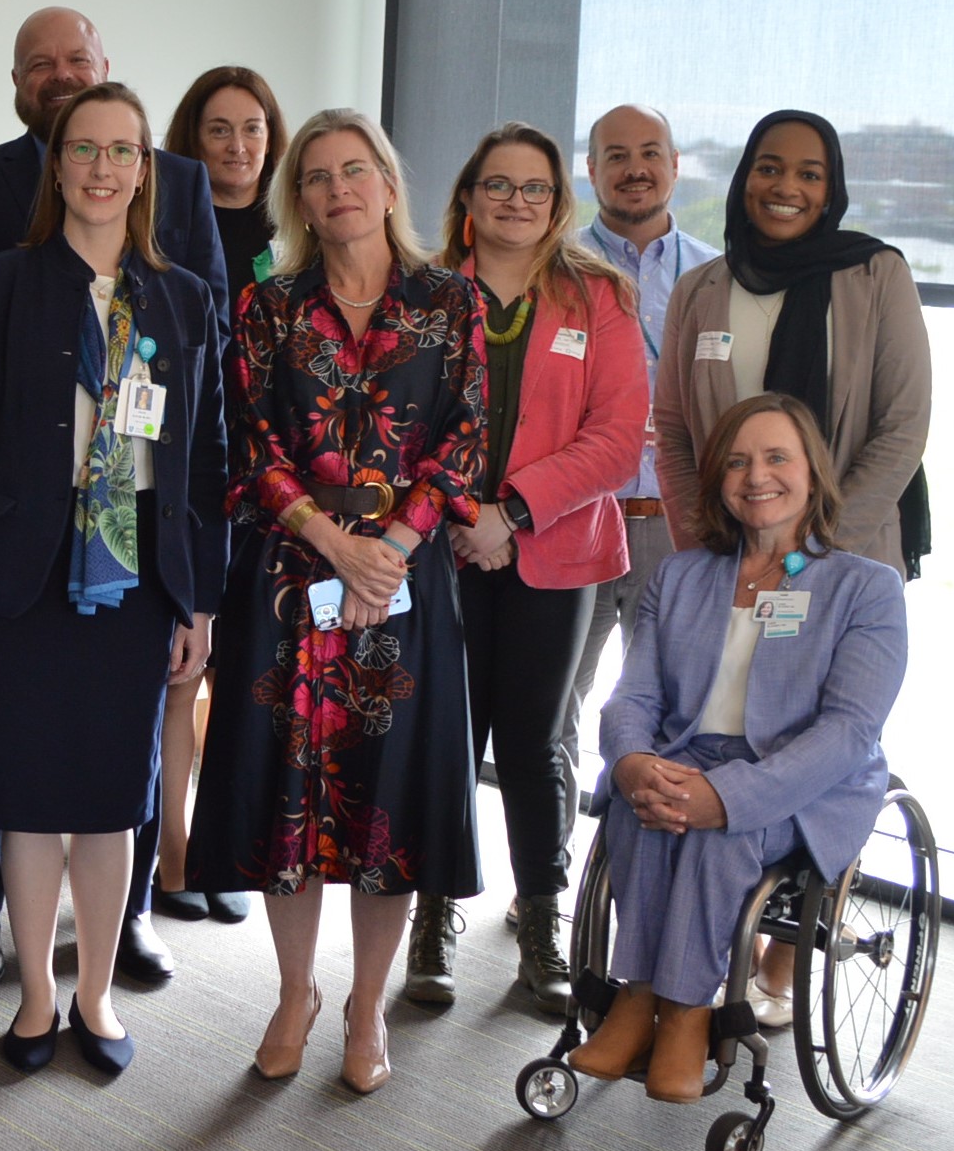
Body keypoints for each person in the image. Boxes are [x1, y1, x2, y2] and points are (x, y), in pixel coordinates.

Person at [184, 109, 485, 1096]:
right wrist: (329, 542)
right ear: (298, 202)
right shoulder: (266, 307)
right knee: (289, 801)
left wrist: (388, 551)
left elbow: (463, 438)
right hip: (289, 579)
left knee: (383, 805)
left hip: (405, 576)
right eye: (314, 177)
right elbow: (250, 448)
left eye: (354, 170)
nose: (336, 188)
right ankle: (291, 992)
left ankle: (364, 1004)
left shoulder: (450, 303)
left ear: (390, 186)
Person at [0, 11, 231, 989]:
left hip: (138, 578)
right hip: (21, 577)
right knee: (19, 794)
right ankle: (28, 999)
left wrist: (201, 598)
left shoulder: (180, 297)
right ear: (53, 165)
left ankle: (94, 998)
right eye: (82, 150)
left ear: (145, 168)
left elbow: (207, 456)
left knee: (113, 792)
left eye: (122, 151)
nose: (101, 168)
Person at [569, 393, 904, 1099]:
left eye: (776, 457)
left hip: (801, 786)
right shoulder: (683, 576)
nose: (757, 476)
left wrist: (726, 795)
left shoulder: (865, 589)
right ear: (718, 478)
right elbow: (631, 697)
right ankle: (635, 999)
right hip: (686, 757)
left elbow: (846, 733)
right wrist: (631, 764)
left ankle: (686, 1013)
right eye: (738, 461)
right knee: (638, 807)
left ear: (811, 472)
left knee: (720, 833)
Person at [403, 124, 647, 1012]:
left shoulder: (599, 297)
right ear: (467, 199)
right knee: (444, 734)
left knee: (535, 737)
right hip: (440, 547)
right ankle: (432, 914)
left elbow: (619, 439)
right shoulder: (422, 293)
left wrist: (515, 510)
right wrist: (468, 517)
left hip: (558, 548)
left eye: (533, 187)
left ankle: (541, 920)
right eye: (496, 185)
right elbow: (399, 424)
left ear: (557, 200)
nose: (515, 200)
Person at [554, 104, 721, 931]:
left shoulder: (713, 278)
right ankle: (543, 890)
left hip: (675, 526)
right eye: (613, 155)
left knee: (674, 711)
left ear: (673, 165)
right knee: (556, 708)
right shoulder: (556, 267)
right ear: (589, 171)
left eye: (648, 153)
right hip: (575, 521)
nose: (633, 168)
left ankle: (646, 883)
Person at [656, 109, 930, 577]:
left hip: (850, 557)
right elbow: (674, 431)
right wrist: (706, 547)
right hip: (727, 561)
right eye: (769, 169)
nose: (786, 187)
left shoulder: (877, 275)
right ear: (744, 180)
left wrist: (817, 549)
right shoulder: (698, 290)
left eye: (809, 174)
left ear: (830, 192)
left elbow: (901, 426)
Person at [145, 65, 289, 932]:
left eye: (253, 130)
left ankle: (227, 848)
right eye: (218, 131)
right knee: (179, 675)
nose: (237, 147)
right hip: (195, 478)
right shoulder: (162, 227)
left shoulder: (297, 235)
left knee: (248, 679)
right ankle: (172, 856)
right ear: (189, 145)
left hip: (277, 489)